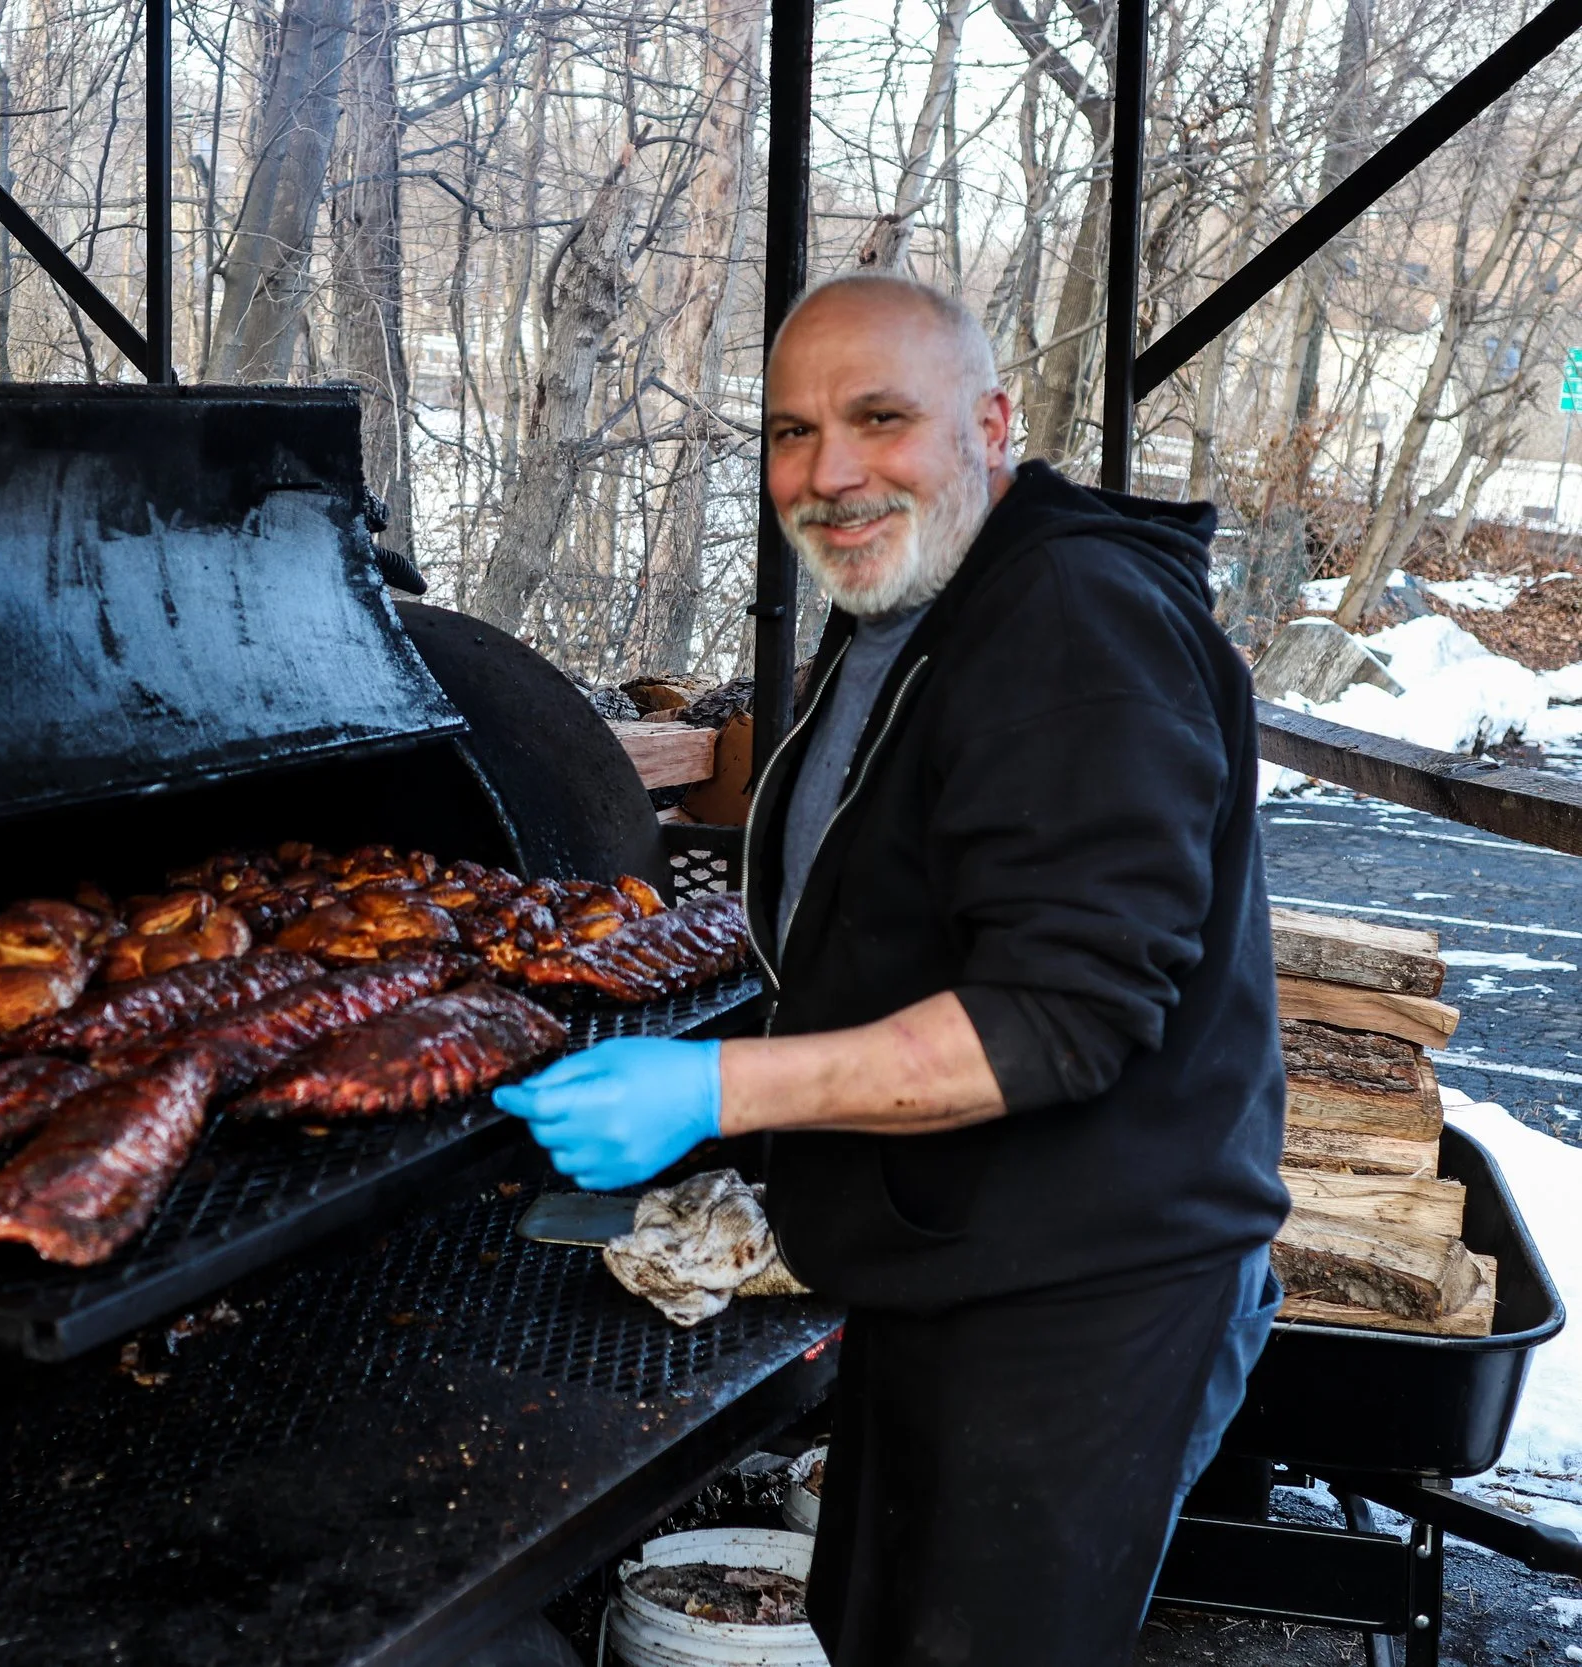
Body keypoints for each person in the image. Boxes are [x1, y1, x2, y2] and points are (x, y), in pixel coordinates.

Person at [496, 273, 1289, 1667]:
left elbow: (1064, 1014)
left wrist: (723, 1086)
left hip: (1083, 1291)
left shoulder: (1073, 622)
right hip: (953, 1246)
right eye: (793, 433)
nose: (830, 472)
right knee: (873, 1622)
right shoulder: (915, 603)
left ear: (991, 420)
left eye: (879, 418)